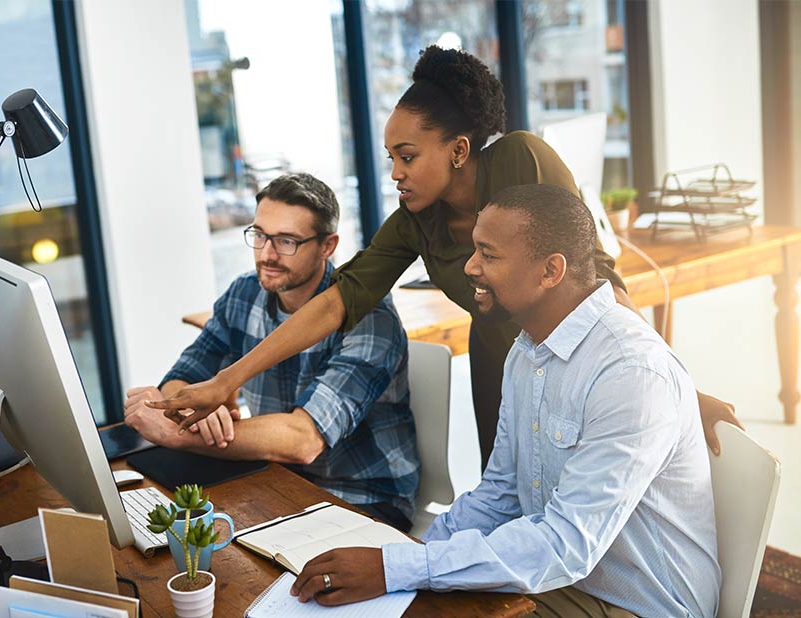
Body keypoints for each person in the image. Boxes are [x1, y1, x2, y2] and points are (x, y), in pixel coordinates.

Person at [147, 45, 739, 468]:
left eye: (408, 156)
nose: (397, 173)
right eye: (391, 159)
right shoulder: (413, 221)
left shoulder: (519, 162)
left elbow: (599, 283)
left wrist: (677, 386)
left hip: (580, 355)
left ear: (458, 150)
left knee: (590, 501)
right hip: (502, 361)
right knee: (509, 499)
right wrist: (226, 380)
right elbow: (334, 304)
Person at [290, 184, 720, 617]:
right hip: (561, 580)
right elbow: (501, 494)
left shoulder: (631, 373)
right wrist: (409, 556)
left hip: (639, 603)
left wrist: (400, 568)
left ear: (550, 271)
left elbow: (566, 544)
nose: (471, 268)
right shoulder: (528, 350)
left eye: (489, 255)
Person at [124, 173, 419, 532]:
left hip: (360, 499)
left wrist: (178, 433)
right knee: (164, 537)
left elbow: (302, 440)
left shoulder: (369, 317)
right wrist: (188, 409)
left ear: (328, 246)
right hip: (270, 478)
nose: (267, 254)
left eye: (287, 241)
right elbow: (184, 374)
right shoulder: (244, 293)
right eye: (260, 235)